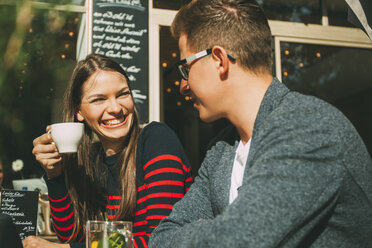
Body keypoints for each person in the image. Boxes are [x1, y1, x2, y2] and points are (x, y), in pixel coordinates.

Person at [149, 0, 372, 247]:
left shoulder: (306, 127)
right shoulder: (222, 148)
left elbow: (239, 242)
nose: (183, 85)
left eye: (185, 68)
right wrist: (222, 230)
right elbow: (161, 237)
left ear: (219, 60)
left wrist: (218, 230)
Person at [24, 54, 193, 248]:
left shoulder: (157, 140)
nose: (115, 108)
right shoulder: (92, 160)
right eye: (99, 99)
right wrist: (54, 175)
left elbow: (162, 240)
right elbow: (71, 234)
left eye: (122, 94)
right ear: (78, 111)